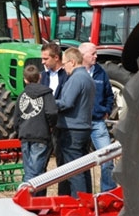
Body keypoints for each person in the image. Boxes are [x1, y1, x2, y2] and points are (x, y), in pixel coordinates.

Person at [55, 47, 96, 198]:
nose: (64, 67)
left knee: (74, 170)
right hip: (84, 127)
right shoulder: (87, 78)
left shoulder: (76, 79)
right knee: (83, 167)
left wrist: (49, 103)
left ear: (72, 62)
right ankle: (87, 199)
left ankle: (79, 201)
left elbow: (66, 103)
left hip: (72, 129)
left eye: (64, 63)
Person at [13, 64, 58, 196]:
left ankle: (36, 202)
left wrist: (19, 130)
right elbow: (52, 112)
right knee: (36, 173)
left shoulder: (22, 95)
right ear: (39, 77)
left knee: (30, 170)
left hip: (25, 136)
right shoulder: (47, 93)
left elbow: (16, 118)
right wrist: (51, 125)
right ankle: (28, 199)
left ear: (25, 79)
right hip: (41, 135)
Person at [79, 42, 117, 192]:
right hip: (79, 124)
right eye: (93, 54)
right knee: (79, 162)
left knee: (108, 158)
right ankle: (83, 192)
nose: (96, 56)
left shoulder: (100, 72)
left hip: (97, 122)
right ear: (82, 56)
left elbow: (109, 94)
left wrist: (105, 110)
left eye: (96, 53)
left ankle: (108, 192)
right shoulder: (74, 73)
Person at [40, 42, 70, 195]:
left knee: (62, 163)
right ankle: (40, 198)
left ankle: (63, 196)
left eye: (45, 59)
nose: (43, 62)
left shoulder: (67, 76)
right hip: (45, 126)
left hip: (61, 125)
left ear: (56, 58)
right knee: (41, 164)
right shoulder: (43, 76)